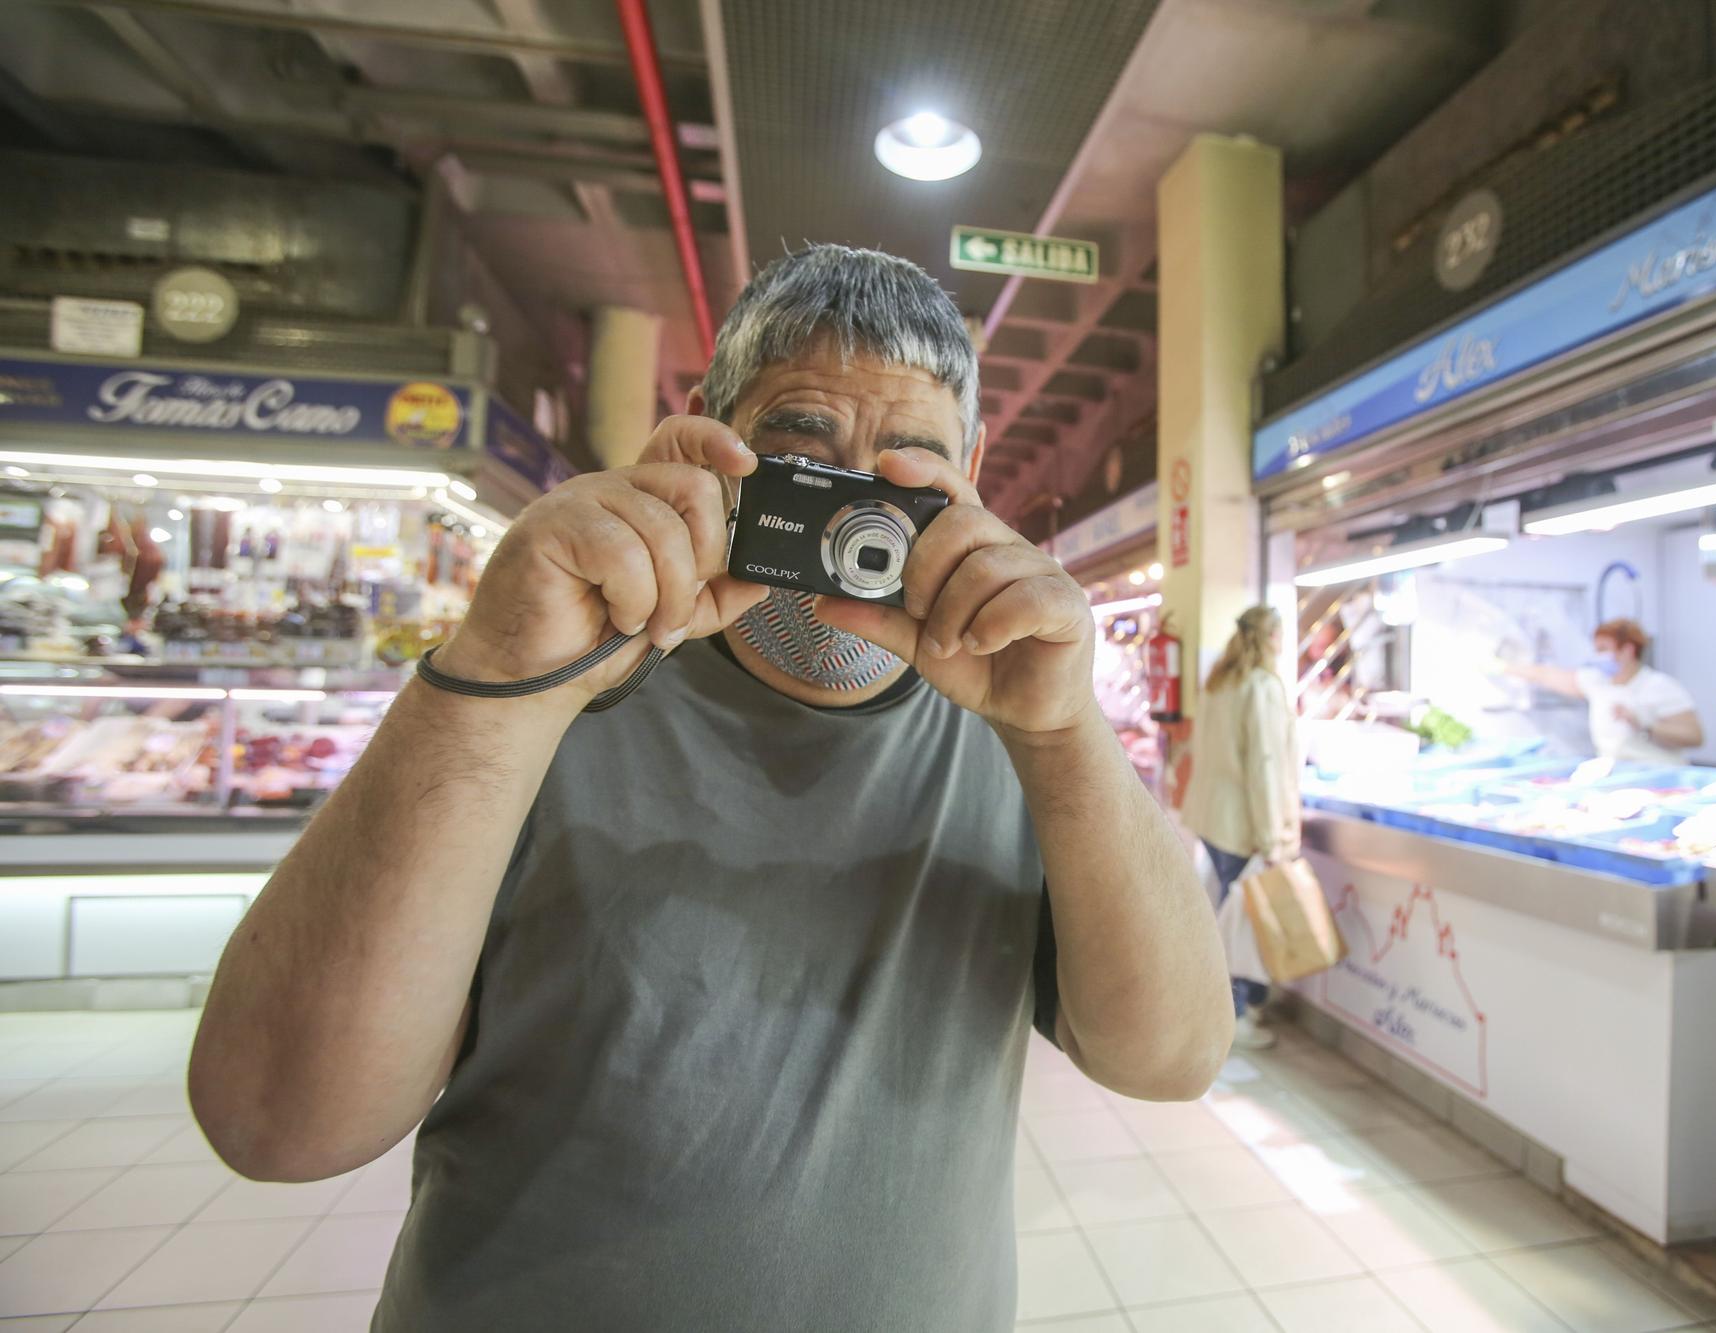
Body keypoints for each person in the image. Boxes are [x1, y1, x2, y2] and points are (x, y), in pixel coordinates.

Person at [187, 245, 1234, 1332]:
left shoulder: (1018, 729)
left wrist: (1066, 734)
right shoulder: (548, 695)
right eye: (803, 458)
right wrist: (492, 681)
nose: (853, 526)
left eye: (907, 468)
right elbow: (278, 1123)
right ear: (709, 440)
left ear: (972, 467)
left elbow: (1171, 1058)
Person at [1179, 605, 1300, 1051]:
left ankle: (1218, 1012)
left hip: (1212, 818)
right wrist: (1272, 837)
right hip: (1244, 827)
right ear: (1271, 638)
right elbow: (1265, 767)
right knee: (1240, 927)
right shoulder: (1261, 687)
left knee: (1226, 919)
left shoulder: (1219, 682)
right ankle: (1231, 1020)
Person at [1505, 617, 1704, 764]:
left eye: (1603, 649)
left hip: (1659, 775)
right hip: (1616, 774)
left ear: (1628, 650)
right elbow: (1546, 675)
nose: (1597, 655)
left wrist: (1643, 724)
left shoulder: (1660, 686)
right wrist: (1502, 667)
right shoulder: (1597, 682)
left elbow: (1694, 737)